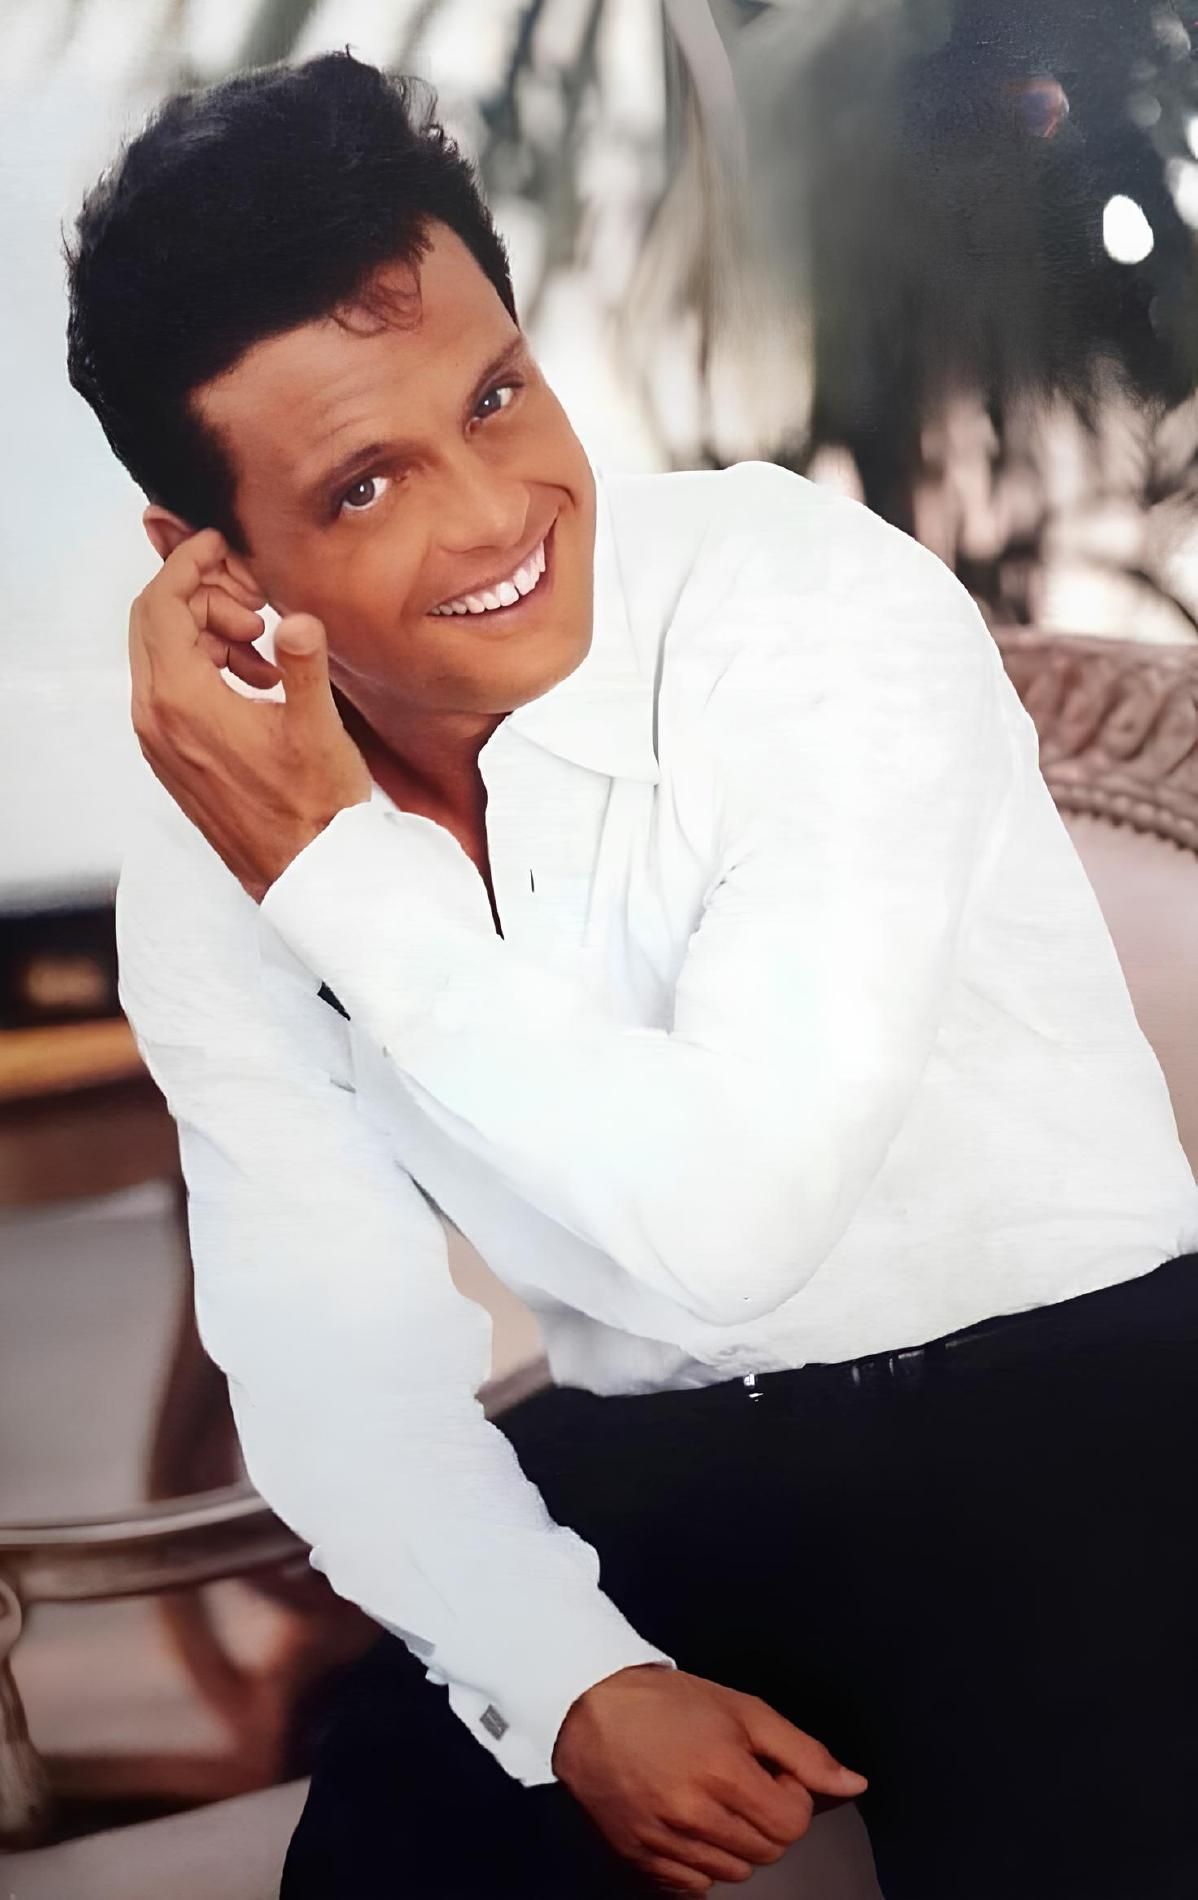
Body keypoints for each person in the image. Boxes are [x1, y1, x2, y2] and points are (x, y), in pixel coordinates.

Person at [66, 50, 1198, 1900]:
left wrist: (334, 871)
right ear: (206, 562)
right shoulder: (214, 853)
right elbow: (336, 1360)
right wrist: (576, 1685)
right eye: (365, 485)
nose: (494, 514)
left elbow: (734, 1223)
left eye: (496, 394)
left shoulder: (803, 604)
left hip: (1080, 1402)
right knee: (384, 1864)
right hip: (654, 1455)